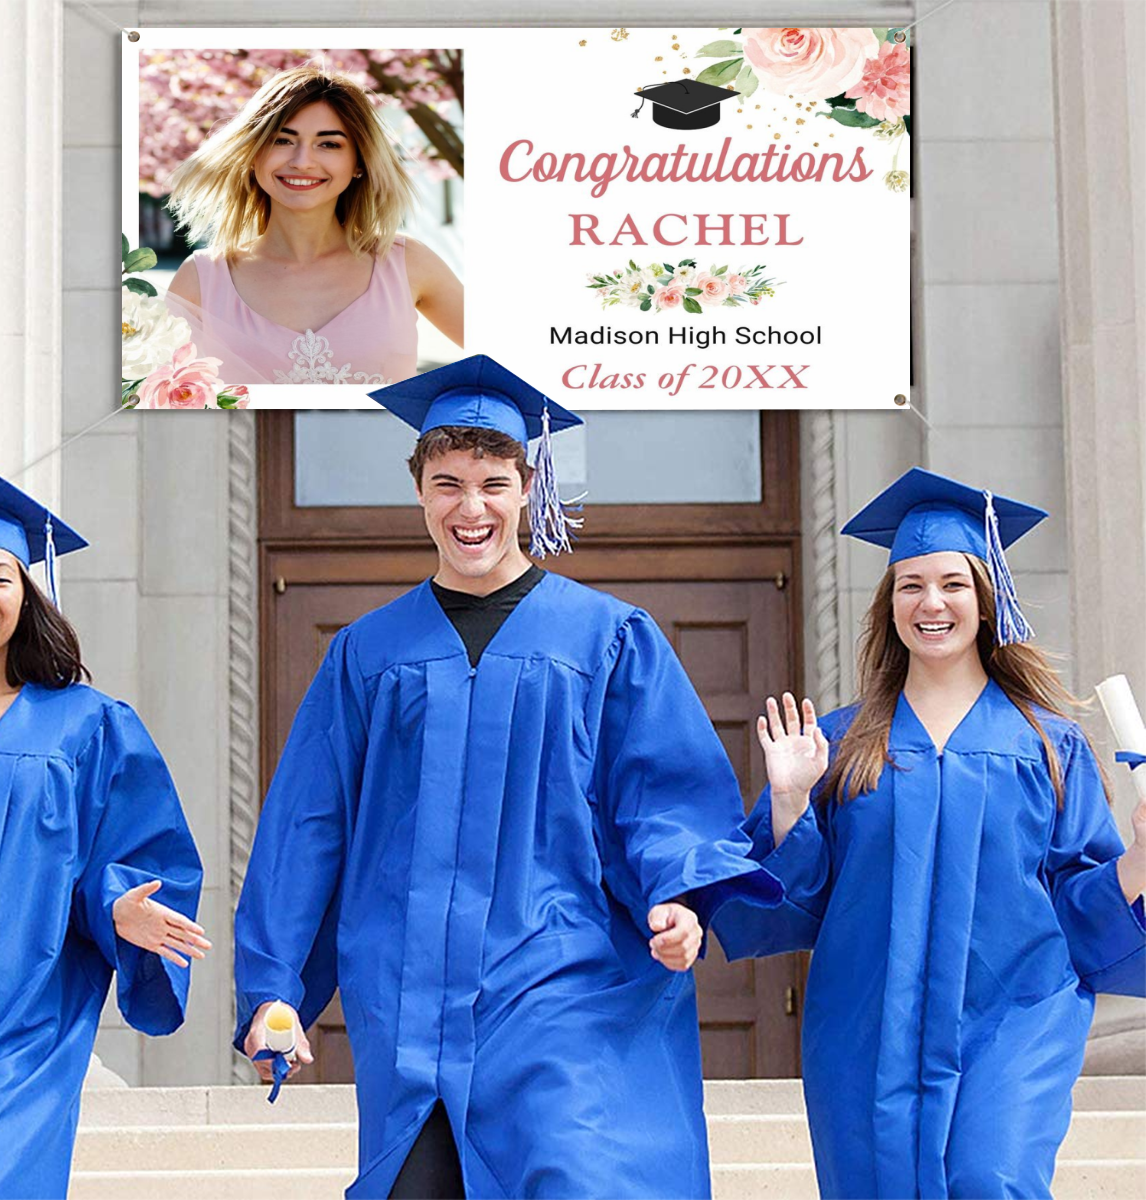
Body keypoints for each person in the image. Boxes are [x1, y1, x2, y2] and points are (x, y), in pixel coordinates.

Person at [233, 355, 784, 1199]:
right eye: (448, 483)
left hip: (565, 981)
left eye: (493, 483)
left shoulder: (608, 639)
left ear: (529, 486)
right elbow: (310, 825)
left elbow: (663, 791)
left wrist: (679, 894)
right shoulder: (368, 654)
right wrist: (274, 988)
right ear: (419, 489)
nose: (471, 507)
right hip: (411, 1000)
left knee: (574, 1174)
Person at [722, 467, 1146, 1199]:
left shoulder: (1050, 745)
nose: (932, 602)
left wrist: (1141, 857)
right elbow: (793, 902)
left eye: (953, 583)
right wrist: (790, 801)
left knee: (992, 1177)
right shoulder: (841, 743)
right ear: (888, 606)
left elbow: (1083, 905)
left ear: (988, 600)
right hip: (867, 1021)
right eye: (911, 585)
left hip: (1015, 1011)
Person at [0, 471, 209, 1200]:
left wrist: (118, 906)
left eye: (1, 576)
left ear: (27, 594)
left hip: (19, 1035)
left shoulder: (87, 726)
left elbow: (131, 852)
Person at [164, 64, 463, 387]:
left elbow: (513, 357)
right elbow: (157, 401)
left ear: (359, 163)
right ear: (253, 155)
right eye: (282, 140)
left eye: (329, 144)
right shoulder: (201, 279)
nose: (302, 161)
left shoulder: (406, 262)